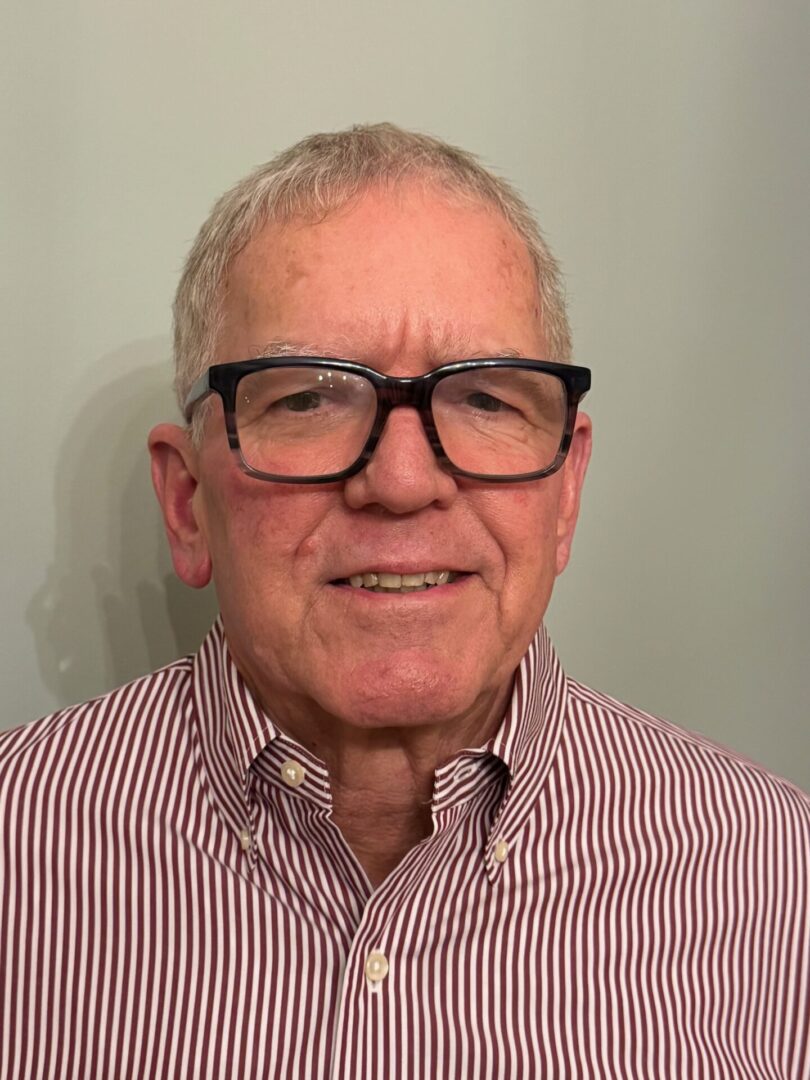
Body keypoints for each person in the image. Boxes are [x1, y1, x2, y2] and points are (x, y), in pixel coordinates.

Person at [1, 124, 807, 1079]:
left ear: (568, 491)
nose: (401, 480)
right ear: (187, 505)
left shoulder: (774, 876)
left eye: (486, 401)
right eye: (305, 399)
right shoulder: (20, 845)